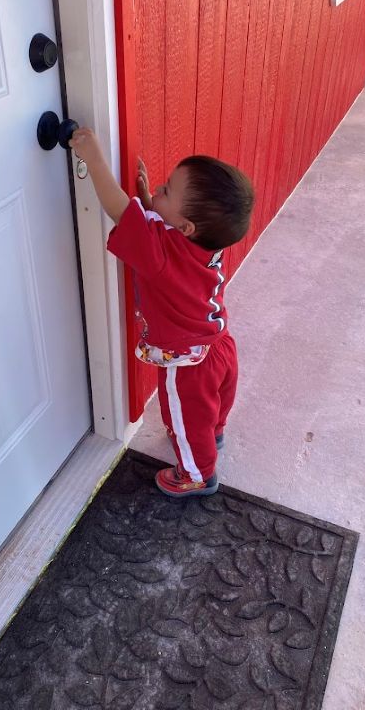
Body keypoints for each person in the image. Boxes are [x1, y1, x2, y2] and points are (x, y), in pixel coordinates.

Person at [69, 128, 254, 497]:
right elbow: (164, 229)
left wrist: (93, 158)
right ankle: (214, 434)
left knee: (183, 419)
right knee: (210, 410)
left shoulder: (161, 255)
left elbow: (119, 211)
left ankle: (198, 476)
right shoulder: (206, 244)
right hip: (219, 346)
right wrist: (152, 203)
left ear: (186, 227)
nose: (158, 188)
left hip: (188, 363)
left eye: (166, 190)